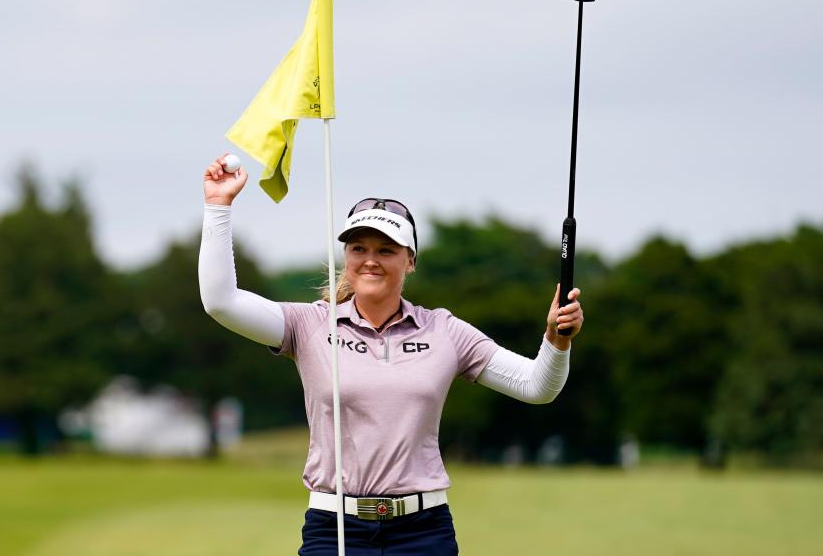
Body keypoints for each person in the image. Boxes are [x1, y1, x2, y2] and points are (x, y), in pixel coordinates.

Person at [199, 154, 584, 555]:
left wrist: (556, 340)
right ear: (345, 258)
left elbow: (537, 386)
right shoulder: (311, 325)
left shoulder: (444, 330)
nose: (370, 259)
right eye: (358, 247)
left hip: (423, 532)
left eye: (386, 250)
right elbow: (220, 302)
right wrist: (217, 205)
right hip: (335, 529)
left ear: (410, 261)